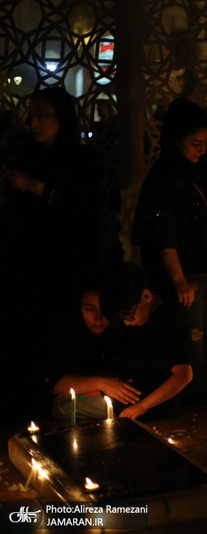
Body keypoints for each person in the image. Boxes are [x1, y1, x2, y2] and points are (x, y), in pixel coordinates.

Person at [0, 87, 103, 427]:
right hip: (25, 267)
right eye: (30, 117)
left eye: (42, 117)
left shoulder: (79, 159)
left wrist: (33, 186)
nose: (34, 125)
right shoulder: (27, 155)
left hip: (65, 267)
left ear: (62, 118)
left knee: (58, 336)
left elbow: (81, 208)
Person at [131, 97, 207, 403]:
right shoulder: (164, 177)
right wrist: (178, 279)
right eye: (195, 144)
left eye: (205, 144)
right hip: (184, 275)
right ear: (176, 139)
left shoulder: (202, 172)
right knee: (191, 346)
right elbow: (163, 235)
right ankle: (192, 408)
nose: (202, 151)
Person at [100, 262, 192, 421]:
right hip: (130, 397)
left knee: (64, 406)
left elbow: (183, 376)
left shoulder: (170, 321)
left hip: (151, 406)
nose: (127, 323)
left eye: (129, 317)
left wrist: (142, 407)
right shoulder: (137, 319)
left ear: (146, 296)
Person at [47, 278, 138, 420]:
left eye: (105, 310)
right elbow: (54, 382)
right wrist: (100, 383)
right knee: (63, 406)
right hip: (87, 397)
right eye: (90, 309)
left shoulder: (124, 327)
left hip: (126, 400)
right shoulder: (64, 332)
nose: (98, 318)